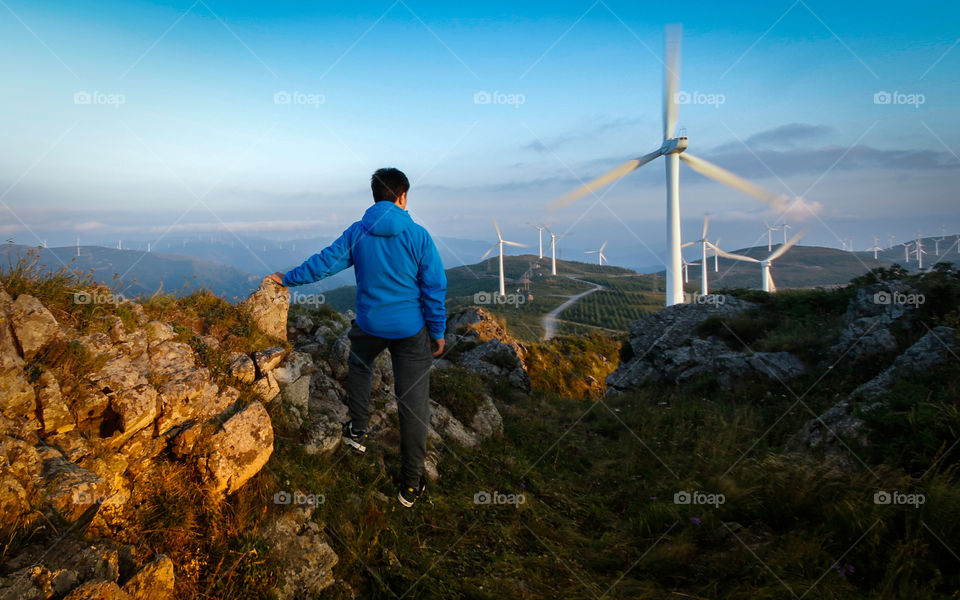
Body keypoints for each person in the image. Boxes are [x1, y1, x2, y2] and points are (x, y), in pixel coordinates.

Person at [267, 168, 447, 508]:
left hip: (369, 323)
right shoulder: (419, 235)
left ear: (375, 196)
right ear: (402, 196)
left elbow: (324, 263)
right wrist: (437, 331)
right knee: (413, 403)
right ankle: (410, 484)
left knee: (360, 365)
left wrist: (288, 277)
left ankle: (358, 431)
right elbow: (434, 286)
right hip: (410, 330)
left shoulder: (357, 233)